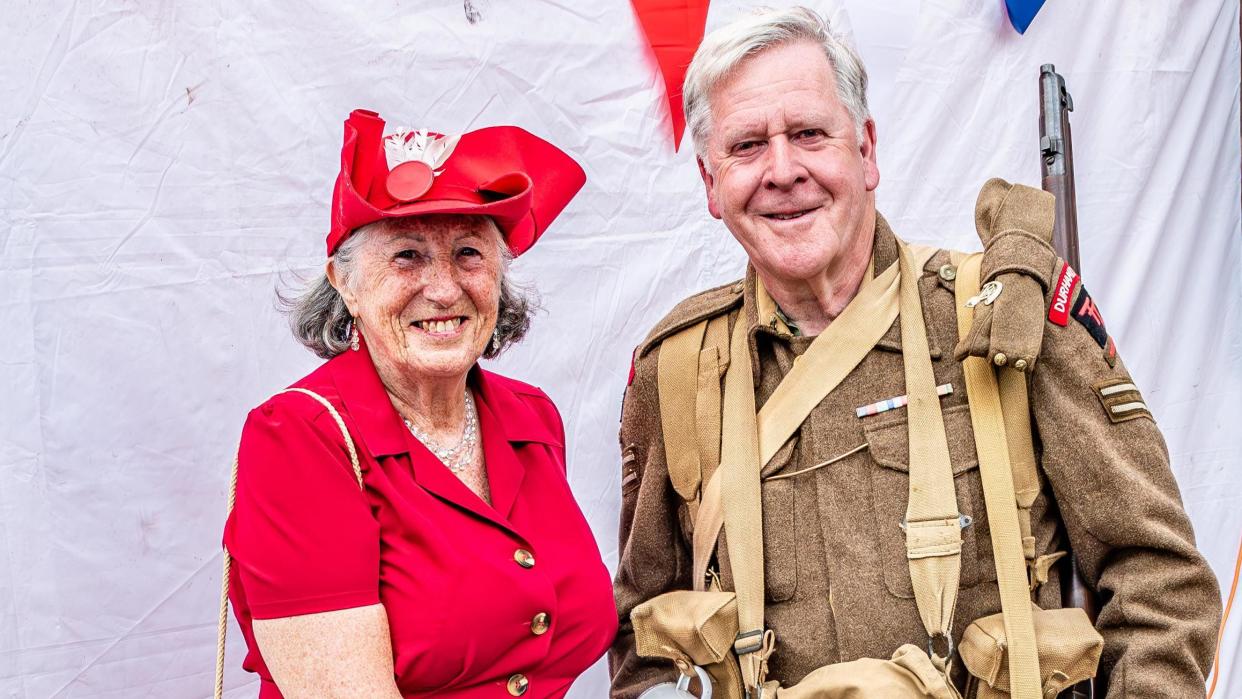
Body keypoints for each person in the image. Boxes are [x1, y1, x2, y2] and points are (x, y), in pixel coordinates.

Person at [610, 7, 1221, 698]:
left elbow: (1159, 579)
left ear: (866, 150)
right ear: (710, 184)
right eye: (747, 146)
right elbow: (644, 637)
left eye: (809, 133)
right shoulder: (678, 368)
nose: (782, 170)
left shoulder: (1001, 315)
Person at [223, 109, 617, 698]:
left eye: (468, 254)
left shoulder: (530, 416)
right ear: (344, 283)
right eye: (407, 255)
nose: (442, 287)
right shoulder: (299, 436)